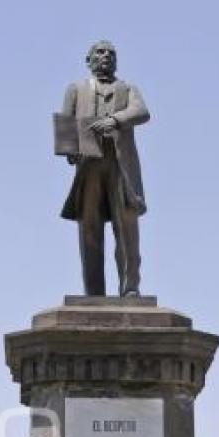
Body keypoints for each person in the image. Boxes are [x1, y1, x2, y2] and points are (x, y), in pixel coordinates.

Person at [57, 40, 150, 298]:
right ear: (89, 60)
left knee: (127, 227)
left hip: (121, 165)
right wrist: (70, 151)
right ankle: (94, 291)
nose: (106, 56)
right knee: (90, 228)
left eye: (111, 53)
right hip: (89, 166)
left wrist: (114, 120)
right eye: (100, 52)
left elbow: (141, 111)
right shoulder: (76, 89)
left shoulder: (127, 88)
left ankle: (130, 288)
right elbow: (66, 123)